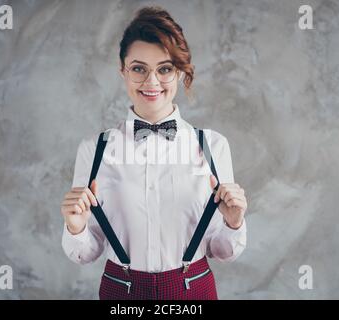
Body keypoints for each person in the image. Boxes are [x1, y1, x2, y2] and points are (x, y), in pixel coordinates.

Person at [60, 6, 248, 300]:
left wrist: (233, 222)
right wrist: (75, 227)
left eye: (164, 69)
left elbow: (222, 252)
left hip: (193, 293)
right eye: (138, 68)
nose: (151, 82)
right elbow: (87, 252)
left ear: (179, 72)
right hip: (120, 294)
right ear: (123, 70)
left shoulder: (214, 147)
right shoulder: (94, 150)